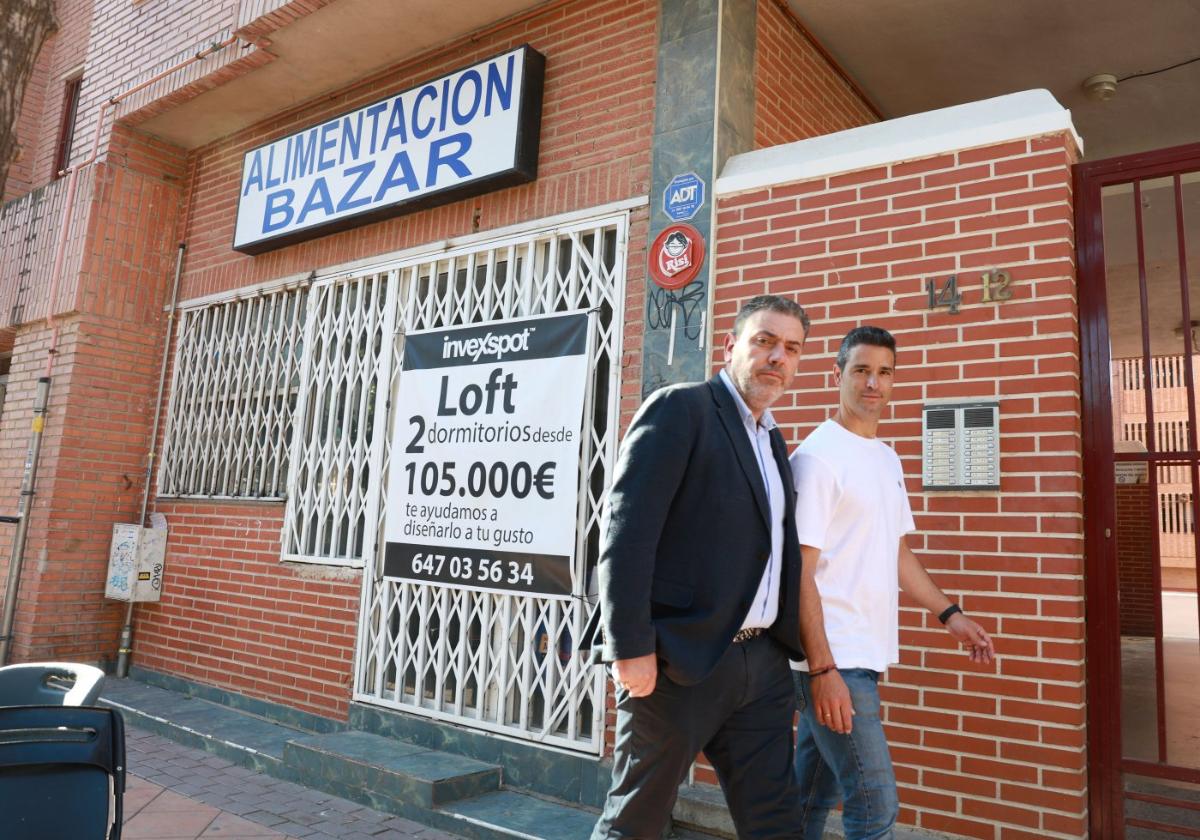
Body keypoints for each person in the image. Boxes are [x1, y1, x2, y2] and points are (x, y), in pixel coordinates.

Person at [591, 295, 811, 840]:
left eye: (791, 348)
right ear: (731, 345)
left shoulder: (772, 438)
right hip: (677, 663)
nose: (777, 357)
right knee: (635, 821)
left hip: (760, 665)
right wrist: (629, 646)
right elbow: (628, 533)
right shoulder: (681, 408)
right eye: (764, 341)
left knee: (777, 822)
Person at [789, 325, 995, 840]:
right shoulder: (816, 459)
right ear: (835, 375)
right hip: (834, 658)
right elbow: (798, 571)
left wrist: (951, 616)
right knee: (874, 801)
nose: (873, 383)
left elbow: (895, 551)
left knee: (810, 797)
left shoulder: (884, 457)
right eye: (860, 370)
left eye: (884, 372)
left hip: (861, 654)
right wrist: (822, 668)